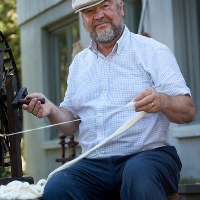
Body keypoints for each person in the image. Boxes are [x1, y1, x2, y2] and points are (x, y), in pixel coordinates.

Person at [22, 0, 196, 199]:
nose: (98, 16)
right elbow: (71, 125)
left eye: (105, 6)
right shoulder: (79, 64)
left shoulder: (153, 51)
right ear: (83, 18)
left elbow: (188, 111)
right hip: (94, 164)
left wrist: (163, 101)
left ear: (120, 7)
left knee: (138, 173)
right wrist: (51, 110)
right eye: (89, 11)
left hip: (148, 156)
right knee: (58, 186)